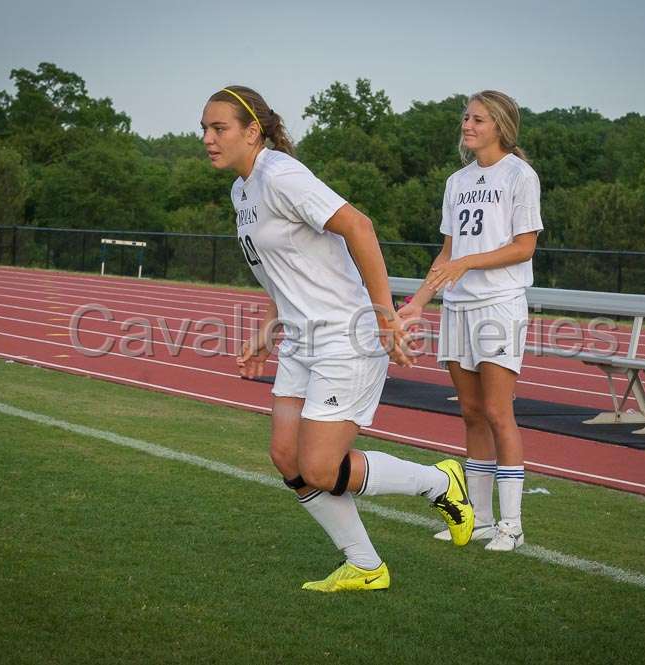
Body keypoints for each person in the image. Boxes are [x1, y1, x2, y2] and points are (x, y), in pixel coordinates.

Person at [201, 86, 475, 592]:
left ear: (251, 131)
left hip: (344, 335)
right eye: (205, 129)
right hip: (302, 341)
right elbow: (284, 270)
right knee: (287, 458)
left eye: (219, 128)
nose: (209, 139)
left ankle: (440, 481)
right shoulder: (242, 190)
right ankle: (366, 566)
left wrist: (383, 315)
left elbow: (359, 226)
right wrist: (268, 326)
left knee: (321, 468)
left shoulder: (281, 174)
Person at [399, 90, 542, 551]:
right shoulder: (457, 181)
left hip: (499, 304)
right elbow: (447, 253)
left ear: (499, 125)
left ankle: (512, 526)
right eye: (466, 117)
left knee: (500, 412)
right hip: (457, 307)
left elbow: (524, 247)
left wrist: (469, 263)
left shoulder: (520, 175)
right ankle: (480, 520)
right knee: (471, 413)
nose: (468, 124)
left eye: (478, 118)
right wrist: (420, 301)